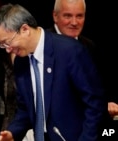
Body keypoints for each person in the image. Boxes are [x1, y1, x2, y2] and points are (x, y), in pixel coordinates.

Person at [0, 3, 106, 141]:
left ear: (25, 29)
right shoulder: (21, 61)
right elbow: (26, 109)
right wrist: (12, 133)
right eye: (2, 45)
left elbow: (95, 104)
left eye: (8, 42)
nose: (7, 50)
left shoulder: (70, 51)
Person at [48, 0, 118, 139]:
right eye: (68, 16)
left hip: (87, 131)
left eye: (79, 16)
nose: (74, 22)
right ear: (55, 16)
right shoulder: (42, 45)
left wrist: (107, 102)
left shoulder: (90, 46)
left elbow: (99, 88)